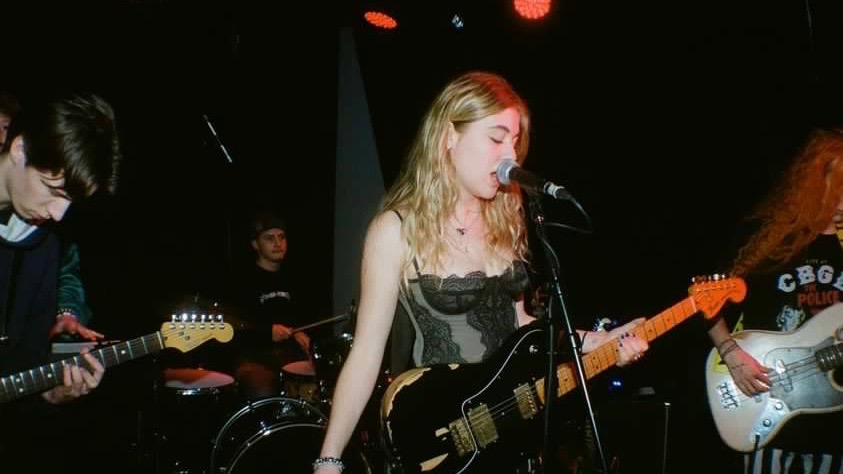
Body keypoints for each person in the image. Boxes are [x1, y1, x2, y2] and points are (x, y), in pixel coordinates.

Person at [313, 71, 648, 474]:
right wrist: (329, 458)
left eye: (515, 139)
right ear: (448, 137)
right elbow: (366, 353)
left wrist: (600, 342)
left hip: (509, 429)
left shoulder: (511, 218)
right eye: (496, 138)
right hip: (441, 431)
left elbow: (526, 331)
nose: (510, 153)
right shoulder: (395, 229)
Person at [707, 127, 843, 473]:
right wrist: (730, 353)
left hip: (834, 425)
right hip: (765, 405)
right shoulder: (770, 240)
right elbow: (705, 302)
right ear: (817, 183)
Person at [0, 92, 121, 452]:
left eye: (70, 201)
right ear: (20, 149)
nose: (57, 214)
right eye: (53, 191)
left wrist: (50, 395)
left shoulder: (43, 242)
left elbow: (16, 379)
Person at [227, 209, 314, 400]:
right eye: (269, 238)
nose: (278, 243)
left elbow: (299, 319)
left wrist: (299, 331)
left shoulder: (295, 278)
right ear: (255, 244)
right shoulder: (240, 281)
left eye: (282, 237)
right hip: (253, 357)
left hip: (288, 355)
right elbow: (234, 329)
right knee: (263, 388)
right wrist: (268, 332)